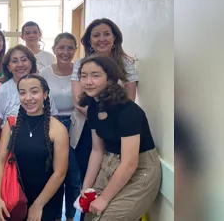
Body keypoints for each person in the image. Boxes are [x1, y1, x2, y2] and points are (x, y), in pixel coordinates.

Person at [70, 18, 138, 221]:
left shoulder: (126, 64)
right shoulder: (81, 64)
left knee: (111, 183)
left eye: (106, 34)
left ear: (115, 37)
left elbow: (129, 100)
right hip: (86, 130)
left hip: (117, 134)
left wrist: (107, 121)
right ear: (89, 40)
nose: (101, 39)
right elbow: (79, 101)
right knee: (86, 178)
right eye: (96, 35)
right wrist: (99, 119)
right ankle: (84, 213)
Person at [78, 56, 160, 221]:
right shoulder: (93, 108)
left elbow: (130, 163)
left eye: (95, 75)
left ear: (109, 80)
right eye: (83, 75)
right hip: (109, 162)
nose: (88, 81)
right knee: (88, 215)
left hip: (139, 170)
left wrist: (104, 198)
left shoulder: (128, 111)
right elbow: (97, 151)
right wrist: (86, 187)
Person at [0, 74, 69, 221]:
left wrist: (38, 205)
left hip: (46, 198)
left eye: (34, 91)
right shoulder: (11, 124)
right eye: (22, 93)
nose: (28, 98)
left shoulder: (58, 129)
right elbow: (0, 161)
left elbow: (60, 173)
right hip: (15, 195)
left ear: (45, 95)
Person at [0, 44, 60, 156]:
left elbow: (54, 121)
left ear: (31, 63)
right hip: (10, 151)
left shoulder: (43, 87)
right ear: (8, 67)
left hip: (43, 150)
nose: (20, 64)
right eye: (15, 61)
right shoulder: (2, 91)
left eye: (24, 59)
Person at [40, 33, 81, 221]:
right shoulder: (44, 73)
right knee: (55, 174)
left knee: (73, 174)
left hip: (77, 124)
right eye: (61, 48)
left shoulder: (80, 70)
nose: (65, 52)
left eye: (70, 48)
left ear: (75, 49)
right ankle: (55, 216)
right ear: (54, 49)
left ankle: (71, 216)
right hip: (52, 125)